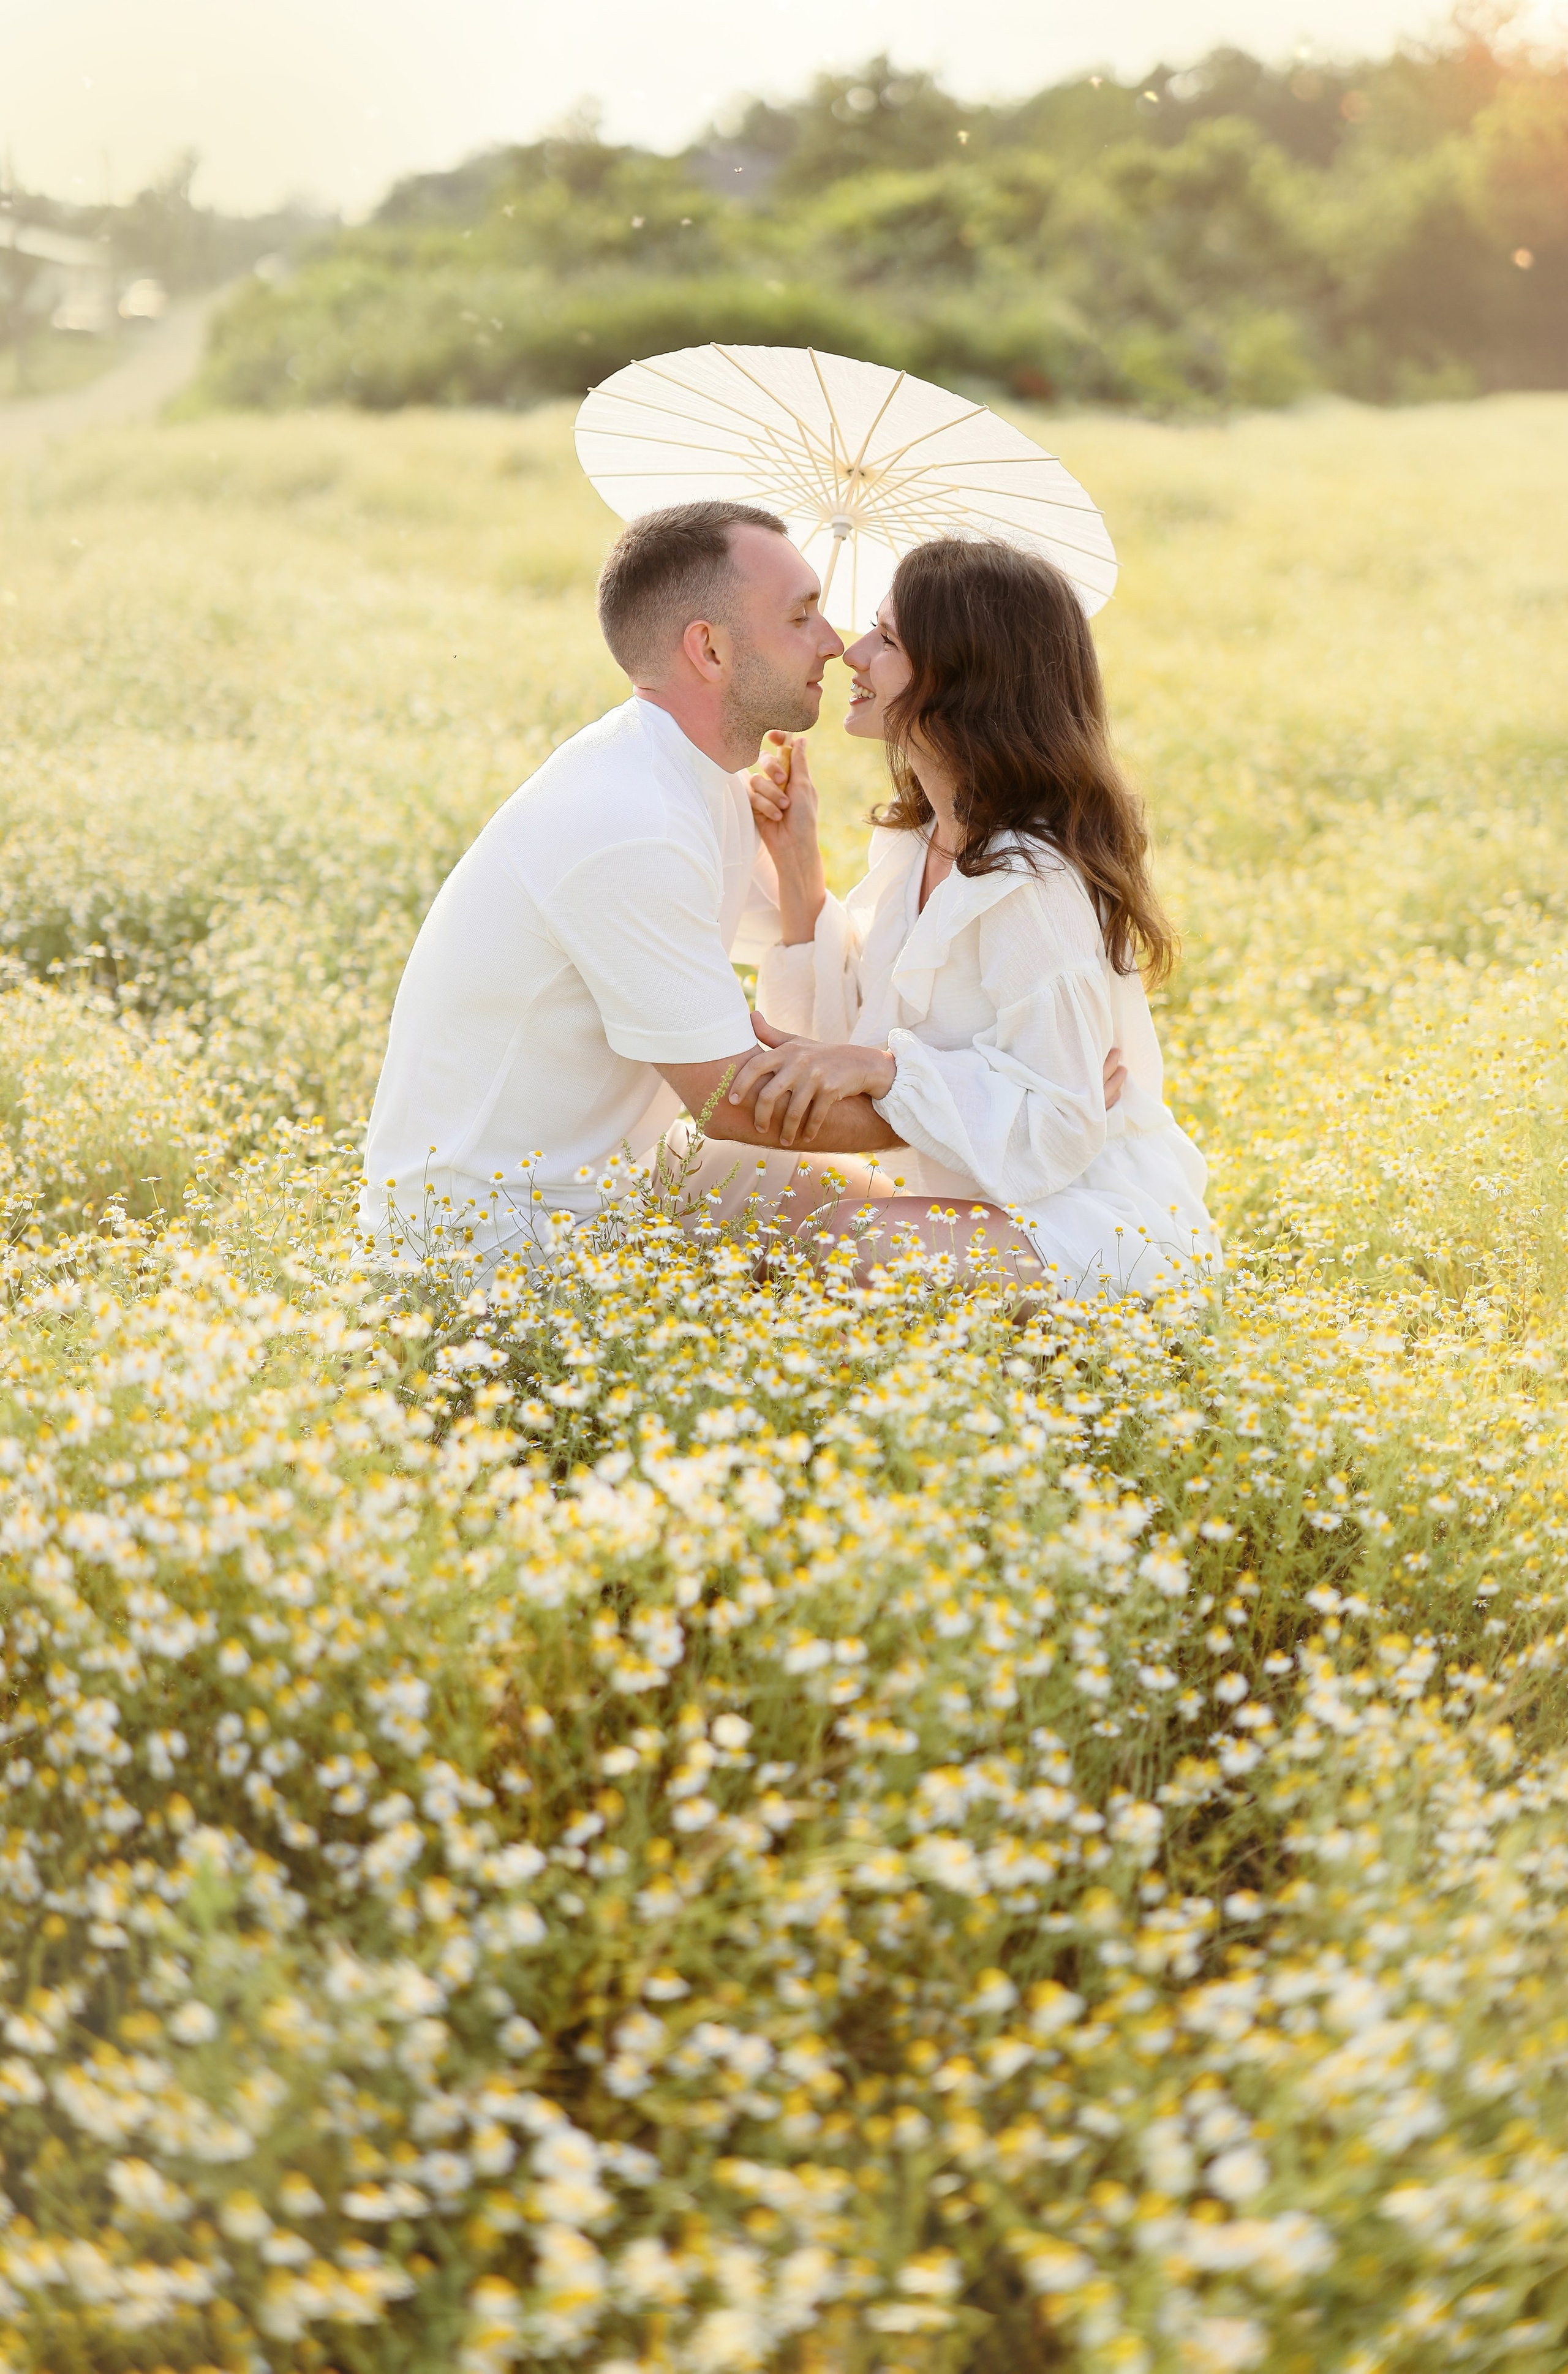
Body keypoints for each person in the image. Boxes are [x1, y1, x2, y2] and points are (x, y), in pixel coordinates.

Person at [359, 499, 907, 1274]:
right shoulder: (633, 820)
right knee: (931, 1246)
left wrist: (795, 861)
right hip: (499, 1240)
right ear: (709, 650)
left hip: (615, 1170)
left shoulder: (694, 776)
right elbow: (733, 1101)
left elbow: (782, 942)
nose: (836, 644)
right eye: (801, 617)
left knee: (895, 1214)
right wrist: (952, 1113)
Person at [725, 537, 1219, 1300]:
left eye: (886, 639)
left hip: (1090, 1221)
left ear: (962, 679)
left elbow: (1058, 1127)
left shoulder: (1031, 878)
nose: (853, 653)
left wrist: (886, 1071)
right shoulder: (916, 842)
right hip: (981, 1205)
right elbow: (844, 1044)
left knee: (838, 1242)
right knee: (739, 1196)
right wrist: (797, 865)